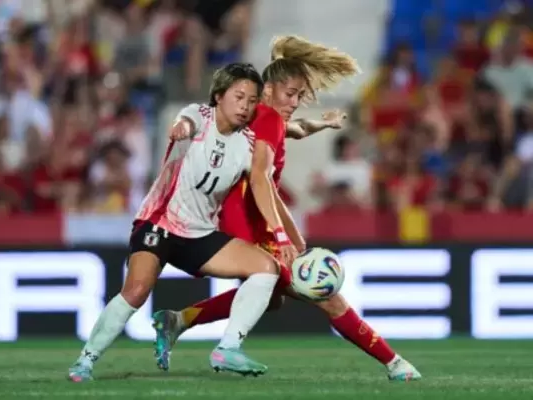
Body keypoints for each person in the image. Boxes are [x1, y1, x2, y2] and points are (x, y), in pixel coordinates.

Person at [152, 35, 422, 382]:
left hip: (241, 215)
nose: (295, 102)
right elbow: (261, 178)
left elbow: (295, 130)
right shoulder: (268, 120)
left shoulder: (259, 116)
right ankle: (395, 364)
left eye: (299, 96)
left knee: (272, 297)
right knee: (327, 297)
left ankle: (178, 320)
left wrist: (323, 123)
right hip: (248, 219)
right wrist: (281, 235)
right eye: (290, 94)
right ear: (267, 90)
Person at [67, 62, 287, 382]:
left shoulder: (247, 145)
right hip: (160, 223)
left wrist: (280, 233)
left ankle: (228, 348)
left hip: (200, 234)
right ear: (219, 96)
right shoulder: (199, 116)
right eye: (239, 97)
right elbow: (185, 121)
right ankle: (85, 361)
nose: (245, 106)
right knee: (137, 290)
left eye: (252, 101)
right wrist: (181, 127)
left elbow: (261, 183)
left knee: (267, 268)